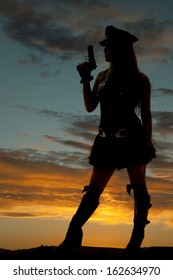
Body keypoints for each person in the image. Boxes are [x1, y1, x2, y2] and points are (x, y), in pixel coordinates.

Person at [60, 25, 156, 252]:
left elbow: (147, 114)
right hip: (105, 140)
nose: (104, 51)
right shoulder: (102, 77)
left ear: (121, 50)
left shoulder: (140, 79)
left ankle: (135, 242)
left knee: (139, 189)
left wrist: (146, 144)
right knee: (93, 190)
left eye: (109, 47)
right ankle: (72, 236)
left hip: (132, 138)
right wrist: (85, 80)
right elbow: (90, 107)